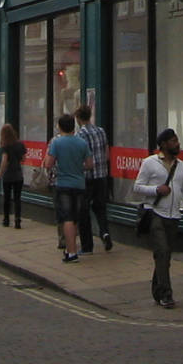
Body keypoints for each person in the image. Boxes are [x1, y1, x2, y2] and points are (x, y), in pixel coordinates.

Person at [134, 127, 183, 304]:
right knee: (163, 252)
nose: (177, 144)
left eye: (177, 140)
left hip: (174, 217)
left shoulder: (182, 166)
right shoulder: (150, 163)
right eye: (173, 141)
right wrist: (157, 189)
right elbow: (137, 187)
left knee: (164, 256)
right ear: (163, 145)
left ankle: (157, 289)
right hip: (155, 213)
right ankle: (166, 294)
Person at [46, 113, 90, 262]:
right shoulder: (82, 143)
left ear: (59, 126)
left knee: (67, 218)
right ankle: (69, 248)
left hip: (63, 184)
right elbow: (90, 165)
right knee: (75, 218)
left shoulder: (56, 143)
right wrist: (78, 168)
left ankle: (72, 252)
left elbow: (48, 164)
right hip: (79, 184)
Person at [74, 104, 113, 253]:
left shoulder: (80, 134)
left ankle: (87, 246)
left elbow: (80, 157)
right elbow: (107, 154)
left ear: (78, 118)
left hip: (87, 177)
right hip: (102, 176)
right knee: (100, 207)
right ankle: (105, 233)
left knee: (83, 211)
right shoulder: (101, 131)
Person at [0, 122, 27, 227]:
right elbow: (23, 159)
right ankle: (17, 221)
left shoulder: (5, 146)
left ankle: (6, 220)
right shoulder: (20, 144)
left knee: (7, 199)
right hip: (18, 175)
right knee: (17, 199)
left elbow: (4, 161)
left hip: (8, 176)